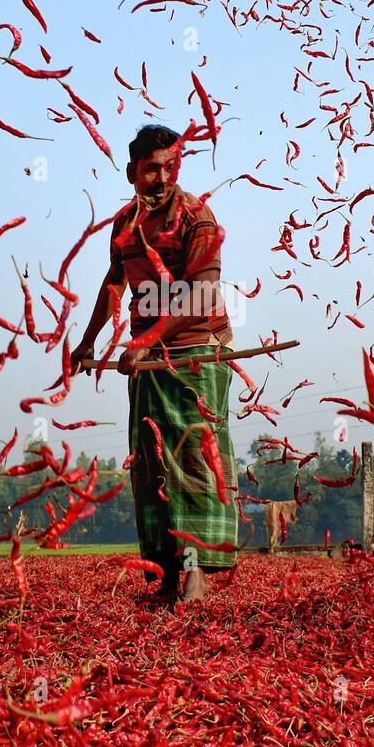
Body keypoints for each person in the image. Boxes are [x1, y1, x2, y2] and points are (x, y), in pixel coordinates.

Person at [69, 125, 236, 605]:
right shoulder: (124, 226)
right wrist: (87, 342)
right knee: (152, 464)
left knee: (195, 460)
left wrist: (144, 340)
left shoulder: (198, 219)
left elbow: (200, 294)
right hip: (147, 361)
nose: (161, 178)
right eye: (150, 170)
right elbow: (113, 283)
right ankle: (165, 573)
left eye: (169, 167)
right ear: (132, 174)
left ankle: (197, 573)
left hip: (197, 352)